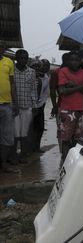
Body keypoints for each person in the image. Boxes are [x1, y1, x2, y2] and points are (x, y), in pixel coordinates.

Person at [58, 51, 83, 162]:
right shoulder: (63, 71)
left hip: (80, 110)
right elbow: (62, 91)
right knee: (66, 138)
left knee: (79, 138)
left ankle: (75, 161)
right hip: (67, 110)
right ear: (67, 61)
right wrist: (80, 87)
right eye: (71, 60)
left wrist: (74, 86)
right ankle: (64, 160)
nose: (74, 62)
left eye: (77, 60)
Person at [13, 49, 37, 164]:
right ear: (16, 58)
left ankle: (23, 155)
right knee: (15, 133)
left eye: (26, 58)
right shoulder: (11, 70)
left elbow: (33, 89)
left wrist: (35, 105)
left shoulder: (31, 72)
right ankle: (13, 156)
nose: (24, 60)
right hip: (14, 107)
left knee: (24, 133)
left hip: (27, 107)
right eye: (21, 58)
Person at [0, 44, 17, 173]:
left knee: (7, 137)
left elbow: (12, 83)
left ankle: (3, 164)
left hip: (7, 104)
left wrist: (15, 102)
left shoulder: (9, 62)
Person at [32, 59, 51, 153]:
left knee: (40, 128)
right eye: (44, 66)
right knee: (31, 128)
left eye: (48, 66)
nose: (46, 68)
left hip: (41, 106)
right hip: (31, 106)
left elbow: (45, 94)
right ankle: (29, 149)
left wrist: (42, 105)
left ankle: (36, 147)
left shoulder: (47, 78)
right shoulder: (33, 76)